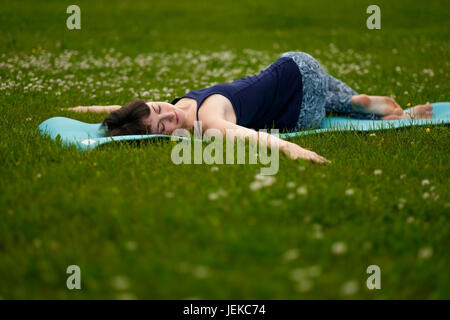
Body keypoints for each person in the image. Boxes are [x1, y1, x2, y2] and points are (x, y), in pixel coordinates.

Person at [66, 51, 434, 164]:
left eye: (161, 108)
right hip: (295, 65)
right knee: (335, 97)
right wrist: (92, 110)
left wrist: (295, 149)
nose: (170, 114)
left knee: (319, 109)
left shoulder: (205, 119)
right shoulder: (192, 108)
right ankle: (366, 104)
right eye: (163, 124)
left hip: (298, 103)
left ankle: (359, 106)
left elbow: (251, 138)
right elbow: (142, 107)